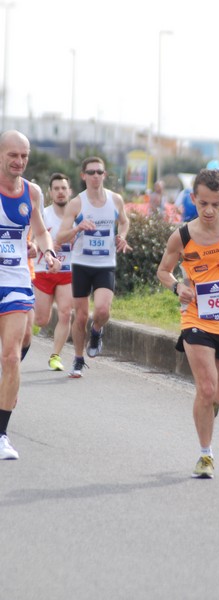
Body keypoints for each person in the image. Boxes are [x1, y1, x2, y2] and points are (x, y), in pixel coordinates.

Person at [157, 168, 219, 478]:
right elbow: (164, 271)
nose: (210, 211)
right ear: (193, 199)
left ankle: (212, 405)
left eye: (216, 204)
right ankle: (205, 455)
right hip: (197, 319)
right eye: (203, 204)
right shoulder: (183, 235)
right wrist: (178, 287)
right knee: (205, 387)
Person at [0, 130, 61, 460]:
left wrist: (47, 251)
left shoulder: (32, 193)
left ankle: (0, 434)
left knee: (16, 351)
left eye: (24, 156)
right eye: (13, 155)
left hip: (16, 278)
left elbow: (39, 232)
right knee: (11, 355)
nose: (19, 161)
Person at [56, 156, 131, 378]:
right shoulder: (77, 203)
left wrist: (122, 236)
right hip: (80, 264)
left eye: (99, 172)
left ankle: (97, 330)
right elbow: (60, 236)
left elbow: (125, 221)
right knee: (80, 317)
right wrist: (78, 228)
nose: (96, 176)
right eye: (91, 172)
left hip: (105, 264)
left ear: (104, 175)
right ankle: (78, 359)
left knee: (102, 310)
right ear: (83, 176)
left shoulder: (115, 200)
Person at [33, 173, 74, 371]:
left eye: (63, 188)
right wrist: (48, 248)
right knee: (42, 319)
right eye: (56, 189)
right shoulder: (44, 215)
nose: (60, 192)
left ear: (70, 191)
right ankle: (28, 329)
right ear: (50, 193)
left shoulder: (77, 216)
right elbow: (32, 241)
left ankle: (55, 356)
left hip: (68, 271)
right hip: (43, 271)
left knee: (66, 313)